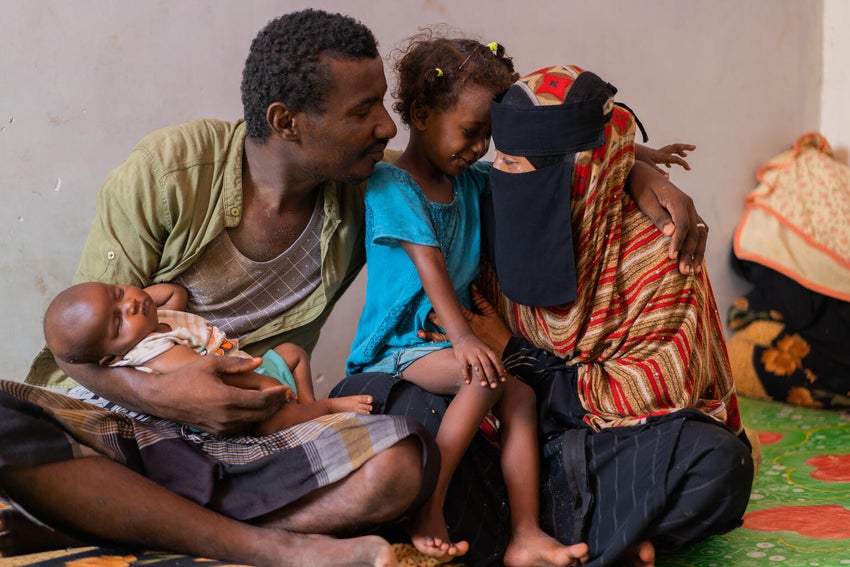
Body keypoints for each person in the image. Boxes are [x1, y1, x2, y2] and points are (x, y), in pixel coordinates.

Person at [0, 10, 438, 567]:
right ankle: (264, 544)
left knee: (402, 461)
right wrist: (162, 395)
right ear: (286, 121)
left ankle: (116, 514)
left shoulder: (373, 189)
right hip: (125, 426)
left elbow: (460, 183)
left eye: (381, 103)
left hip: (246, 442)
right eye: (363, 110)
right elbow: (77, 352)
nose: (386, 127)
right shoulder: (166, 172)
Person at [333, 64, 754, 567]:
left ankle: (535, 535)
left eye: (515, 159)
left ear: (582, 173)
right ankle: (611, 533)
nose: (498, 166)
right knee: (389, 416)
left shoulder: (656, 242)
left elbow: (658, 391)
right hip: (492, 439)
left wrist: (515, 352)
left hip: (601, 447)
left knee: (717, 464)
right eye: (498, 155)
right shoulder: (485, 197)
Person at [346, 34, 588, 565]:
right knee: (484, 377)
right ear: (423, 114)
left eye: (488, 137)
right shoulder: (392, 183)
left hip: (448, 337)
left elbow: (541, 165)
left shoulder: (471, 182)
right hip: (400, 344)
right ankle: (428, 507)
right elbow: (428, 262)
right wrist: (463, 338)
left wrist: (631, 157)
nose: (480, 148)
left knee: (520, 397)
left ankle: (525, 534)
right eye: (472, 133)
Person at [43, 281, 373, 435]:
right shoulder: (152, 350)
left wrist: (139, 301)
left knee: (293, 353)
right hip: (234, 388)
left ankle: (306, 406)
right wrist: (262, 383)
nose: (129, 305)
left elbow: (176, 293)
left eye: (118, 293)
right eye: (118, 322)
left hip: (248, 364)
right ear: (110, 358)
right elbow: (209, 373)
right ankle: (324, 410)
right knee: (273, 420)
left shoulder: (155, 318)